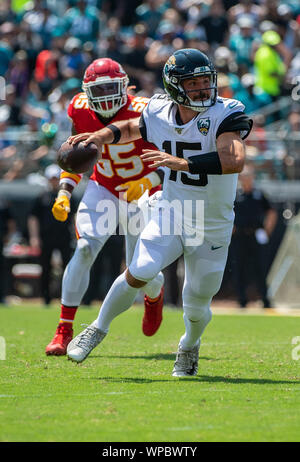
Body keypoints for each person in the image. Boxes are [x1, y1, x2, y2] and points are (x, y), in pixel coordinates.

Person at [66, 48, 253, 377]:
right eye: (193, 83)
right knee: (139, 269)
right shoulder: (158, 112)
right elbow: (128, 128)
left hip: (211, 221)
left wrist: (185, 163)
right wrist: (99, 136)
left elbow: (234, 159)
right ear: (176, 87)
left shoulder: (226, 112)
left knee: (196, 303)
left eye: (205, 81)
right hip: (173, 209)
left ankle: (189, 345)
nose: (203, 89)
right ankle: (97, 328)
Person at [45, 58, 165, 356]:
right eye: (100, 89)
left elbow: (172, 157)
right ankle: (64, 329)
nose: (107, 95)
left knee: (139, 270)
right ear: (87, 91)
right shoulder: (80, 109)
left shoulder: (146, 110)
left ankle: (154, 296)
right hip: (105, 187)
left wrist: (148, 180)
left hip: (144, 191)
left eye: (113, 87)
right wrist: (64, 192)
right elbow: (76, 157)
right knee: (85, 248)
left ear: (125, 85)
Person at [27, 164, 76, 305]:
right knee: (46, 268)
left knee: (68, 268)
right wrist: (34, 237)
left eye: (57, 179)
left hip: (64, 236)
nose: (54, 181)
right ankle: (46, 298)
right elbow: (33, 218)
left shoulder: (69, 197)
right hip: (46, 237)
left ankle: (66, 298)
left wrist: (77, 234)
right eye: (52, 178)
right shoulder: (42, 197)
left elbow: (75, 216)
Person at [231, 165, 277, 308]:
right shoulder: (236, 195)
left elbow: (271, 212)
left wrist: (267, 231)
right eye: (244, 176)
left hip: (256, 235)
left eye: (249, 176)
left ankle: (265, 299)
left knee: (260, 268)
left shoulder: (259, 194)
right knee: (239, 268)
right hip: (240, 235)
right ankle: (242, 300)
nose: (247, 179)